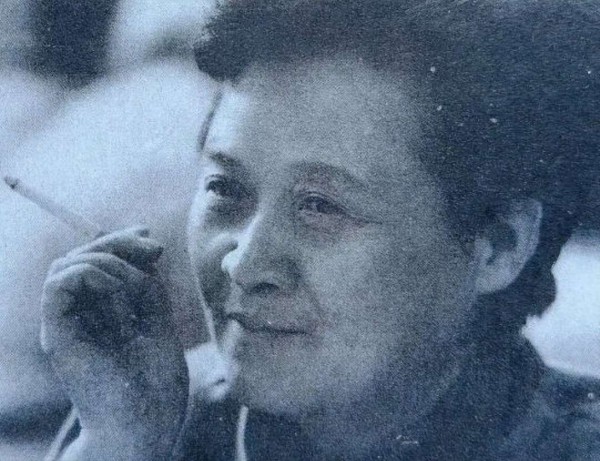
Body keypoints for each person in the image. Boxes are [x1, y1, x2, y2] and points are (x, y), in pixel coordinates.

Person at [41, 0, 600, 459]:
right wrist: (115, 446)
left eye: (320, 206)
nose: (244, 264)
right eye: (226, 189)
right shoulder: (150, 412)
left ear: (499, 246)